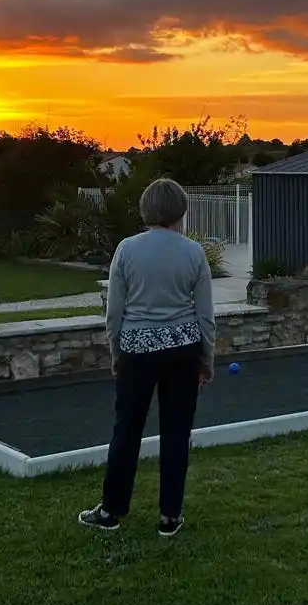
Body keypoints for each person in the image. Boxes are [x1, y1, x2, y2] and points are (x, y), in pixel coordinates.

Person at [79, 177, 215, 537]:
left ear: (146, 209)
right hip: (183, 351)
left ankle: (111, 511)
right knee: (176, 432)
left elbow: (114, 312)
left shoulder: (126, 249)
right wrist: (207, 360)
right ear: (180, 210)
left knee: (127, 430)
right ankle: (170, 516)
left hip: (136, 351)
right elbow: (205, 316)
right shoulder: (194, 252)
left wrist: (115, 352)